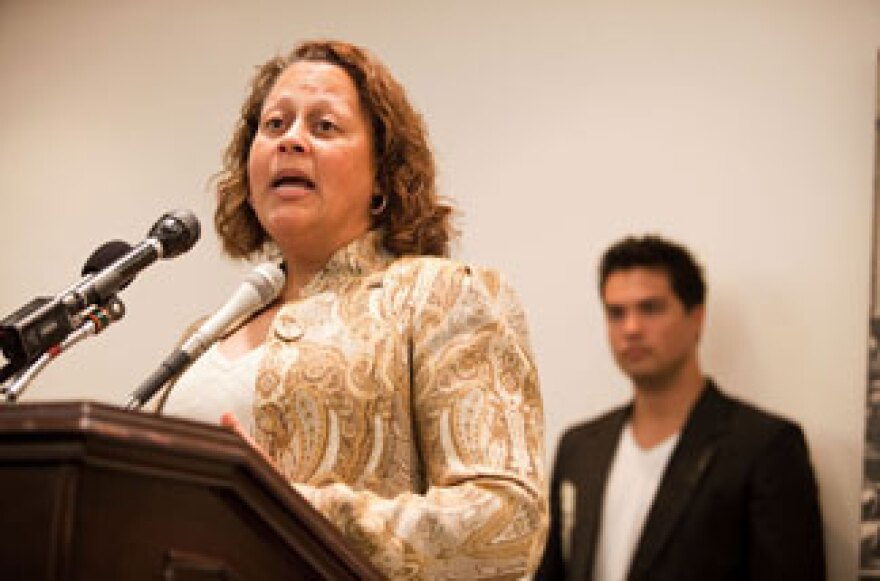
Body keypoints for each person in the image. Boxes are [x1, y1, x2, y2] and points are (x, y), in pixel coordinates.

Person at [159, 39, 547, 579]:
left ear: (383, 176)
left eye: (324, 127)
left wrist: (290, 511)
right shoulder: (205, 333)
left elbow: (505, 527)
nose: (291, 139)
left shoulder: (441, 295)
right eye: (274, 125)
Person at [535, 235, 825, 580]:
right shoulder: (578, 447)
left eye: (650, 308)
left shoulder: (764, 446)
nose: (631, 328)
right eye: (616, 313)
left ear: (696, 317)